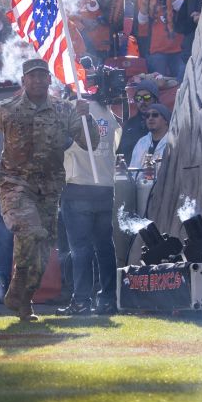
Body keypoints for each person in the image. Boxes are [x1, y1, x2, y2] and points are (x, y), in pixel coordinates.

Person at [0, 59, 92, 322]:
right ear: (23, 80)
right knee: (30, 230)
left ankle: (23, 300)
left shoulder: (63, 109)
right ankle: (16, 289)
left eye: (42, 76)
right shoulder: (7, 108)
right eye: (31, 77)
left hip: (49, 189)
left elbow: (88, 142)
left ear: (50, 79)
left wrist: (86, 116)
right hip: (15, 184)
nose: (37, 81)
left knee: (45, 247)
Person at [57, 94, 120, 316]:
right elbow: (116, 144)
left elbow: (59, 143)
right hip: (105, 187)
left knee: (80, 249)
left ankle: (82, 301)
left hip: (77, 186)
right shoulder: (110, 113)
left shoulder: (71, 109)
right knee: (105, 247)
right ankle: (108, 300)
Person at [136, 0, 187, 79]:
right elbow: (142, 21)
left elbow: (181, 9)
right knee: (159, 85)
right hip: (156, 49)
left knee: (181, 84)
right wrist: (144, 2)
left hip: (178, 49)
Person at [128, 103, 172, 218]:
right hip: (141, 195)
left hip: (165, 197)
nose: (150, 118)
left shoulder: (173, 141)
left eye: (155, 115)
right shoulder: (141, 142)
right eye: (147, 116)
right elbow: (133, 173)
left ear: (166, 120)